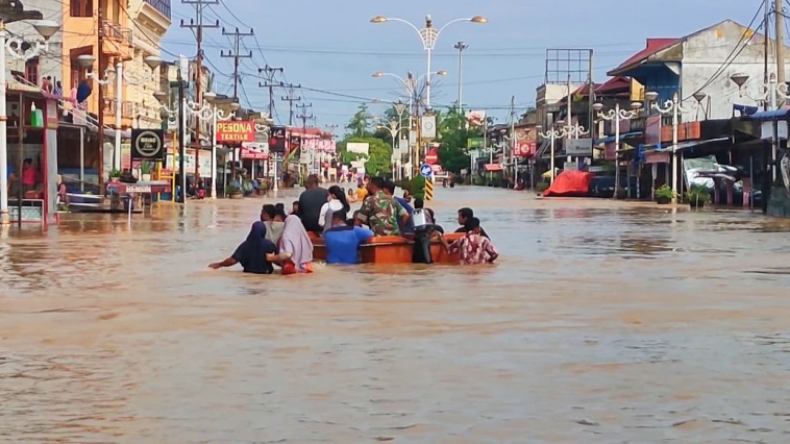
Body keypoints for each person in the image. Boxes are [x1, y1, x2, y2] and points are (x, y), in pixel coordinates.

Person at [209, 221, 278, 274]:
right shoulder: (269, 244)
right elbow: (278, 257)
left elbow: (233, 260)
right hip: (266, 273)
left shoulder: (244, 245)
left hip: (248, 274)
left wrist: (219, 264)